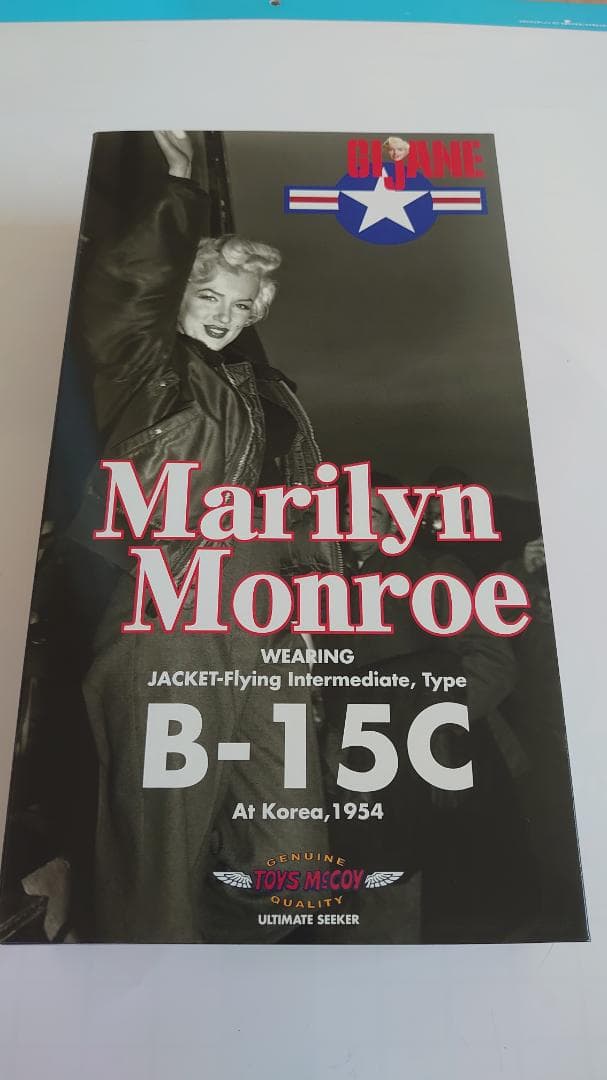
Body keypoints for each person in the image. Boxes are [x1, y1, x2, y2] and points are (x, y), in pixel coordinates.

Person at [71, 130, 339, 943]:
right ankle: (151, 986)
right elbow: (132, 286)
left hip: (268, 616)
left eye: (242, 304)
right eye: (209, 296)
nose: (225, 316)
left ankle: (244, 977)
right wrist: (180, 187)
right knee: (160, 852)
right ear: (180, 293)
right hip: (174, 608)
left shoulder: (266, 390)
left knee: (294, 856)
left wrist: (310, 607)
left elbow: (301, 508)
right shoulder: (146, 368)